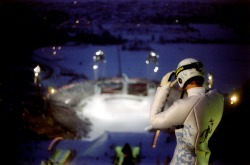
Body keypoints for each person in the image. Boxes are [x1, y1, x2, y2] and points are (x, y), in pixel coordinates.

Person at [149, 58, 224, 165]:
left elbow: (154, 120)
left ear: (180, 79)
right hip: (202, 160)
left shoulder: (186, 105)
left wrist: (163, 88)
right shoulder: (217, 98)